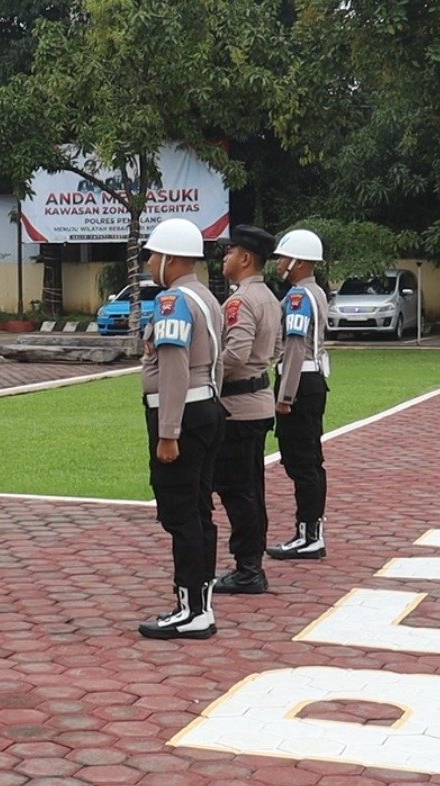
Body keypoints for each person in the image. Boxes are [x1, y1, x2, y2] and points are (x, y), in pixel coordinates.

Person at [136, 217, 226, 641]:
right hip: (207, 407)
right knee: (200, 511)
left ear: (171, 258)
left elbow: (172, 366)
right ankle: (200, 606)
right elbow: (218, 362)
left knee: (181, 513)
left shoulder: (173, 301)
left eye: (154, 255)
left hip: (181, 415)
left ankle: (190, 609)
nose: (151, 262)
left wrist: (168, 431)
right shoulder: (207, 297)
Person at [211, 226, 282, 595]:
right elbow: (278, 347)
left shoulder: (240, 301)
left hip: (237, 407)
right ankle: (251, 562)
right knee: (251, 487)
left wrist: (208, 379)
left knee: (237, 490)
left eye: (229, 251)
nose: (224, 258)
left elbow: (235, 353)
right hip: (258, 402)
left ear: (245, 258)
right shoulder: (269, 297)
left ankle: (248, 568)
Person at [268, 228, 331, 562]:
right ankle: (311, 532)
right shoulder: (316, 293)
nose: (279, 263)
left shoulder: (297, 297)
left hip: (299, 382)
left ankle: (308, 535)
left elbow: (293, 347)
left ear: (299, 261)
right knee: (311, 461)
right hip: (314, 380)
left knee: (301, 462)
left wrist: (285, 395)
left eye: (283, 257)